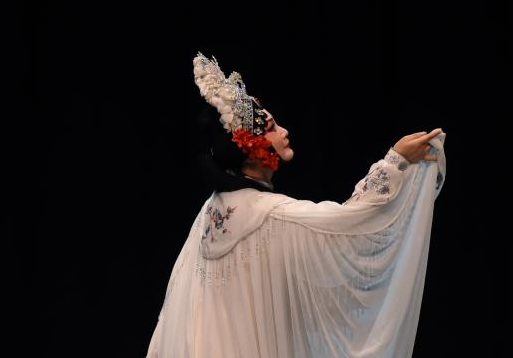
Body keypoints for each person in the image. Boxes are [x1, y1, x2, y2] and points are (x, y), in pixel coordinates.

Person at [146, 52, 447, 358]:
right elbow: (352, 227)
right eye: (272, 128)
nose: (284, 132)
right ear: (251, 147)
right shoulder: (272, 215)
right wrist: (396, 162)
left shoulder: (208, 213)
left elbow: (173, 309)